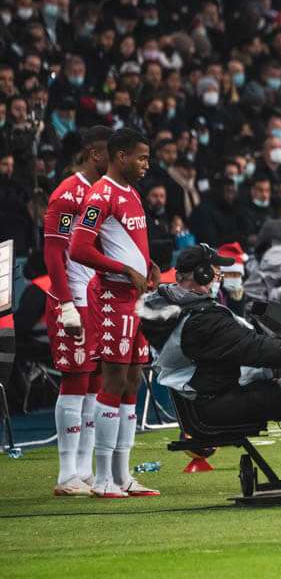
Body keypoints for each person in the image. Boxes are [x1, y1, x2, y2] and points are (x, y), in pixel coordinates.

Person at [140, 245, 281, 463]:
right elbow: (255, 348)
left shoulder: (171, 306)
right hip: (213, 405)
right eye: (215, 271)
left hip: (203, 397)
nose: (219, 276)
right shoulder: (202, 319)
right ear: (203, 274)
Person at [69, 128, 161, 498]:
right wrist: (124, 270)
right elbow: (78, 249)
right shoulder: (100, 195)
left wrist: (148, 265)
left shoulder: (132, 193)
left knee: (133, 381)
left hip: (136, 298)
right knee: (113, 381)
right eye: (141, 157)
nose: (146, 165)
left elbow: (127, 242)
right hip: (112, 297)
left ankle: (122, 475)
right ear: (120, 155)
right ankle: (102, 477)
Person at [43, 126, 109, 495]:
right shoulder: (67, 194)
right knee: (76, 380)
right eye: (113, 153)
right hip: (72, 301)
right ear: (94, 154)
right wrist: (66, 304)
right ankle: (66, 474)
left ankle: (84, 470)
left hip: (98, 300)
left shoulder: (108, 193)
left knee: (95, 383)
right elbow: (54, 253)